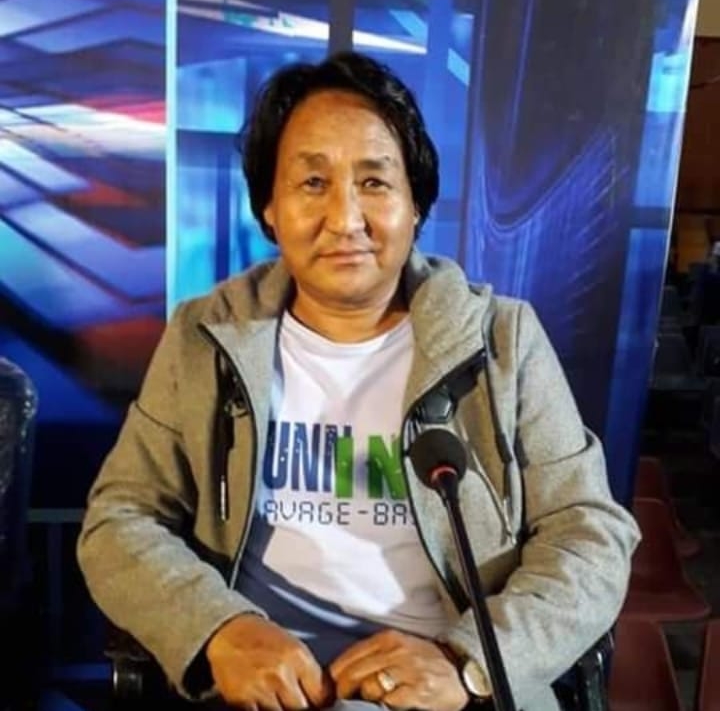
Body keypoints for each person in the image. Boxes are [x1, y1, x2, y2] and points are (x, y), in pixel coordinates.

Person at [77, 51, 640, 711]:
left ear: (415, 204)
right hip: (263, 693)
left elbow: (589, 533)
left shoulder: (502, 341)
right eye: (313, 182)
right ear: (269, 208)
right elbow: (119, 519)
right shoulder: (206, 336)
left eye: (374, 182)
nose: (345, 219)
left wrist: (469, 663)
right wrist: (220, 629)